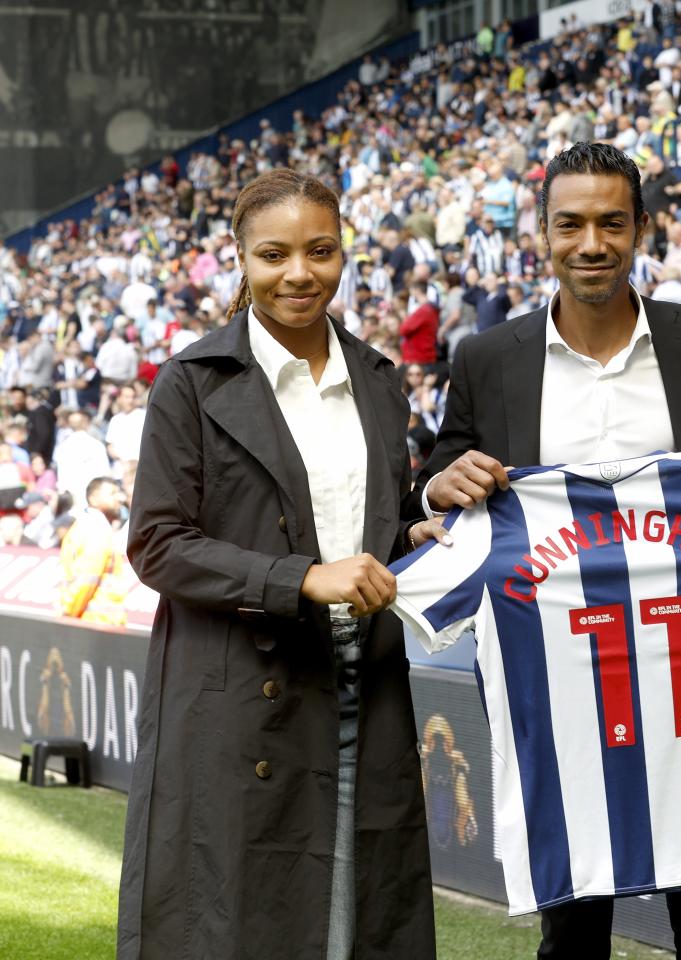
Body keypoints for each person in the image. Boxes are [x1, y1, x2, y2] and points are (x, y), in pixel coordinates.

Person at [410, 141, 681, 960]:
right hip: (554, 674)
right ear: (542, 234)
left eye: (611, 223)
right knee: (575, 920)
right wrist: (437, 488)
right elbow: (441, 470)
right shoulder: (486, 358)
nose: (592, 243)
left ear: (642, 229)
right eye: (571, 224)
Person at [117, 170, 438, 960]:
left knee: (361, 920)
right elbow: (157, 543)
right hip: (239, 701)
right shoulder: (191, 384)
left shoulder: (378, 381)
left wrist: (417, 536)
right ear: (241, 259)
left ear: (342, 253)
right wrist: (299, 577)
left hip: (362, 684)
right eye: (275, 254)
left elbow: (374, 527)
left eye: (320, 251)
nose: (300, 272)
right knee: (242, 927)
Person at [58, 476, 129, 626]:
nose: (120, 498)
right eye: (112, 493)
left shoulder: (90, 525)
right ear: (94, 499)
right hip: (94, 623)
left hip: (95, 622)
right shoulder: (96, 529)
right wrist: (68, 615)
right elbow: (86, 579)